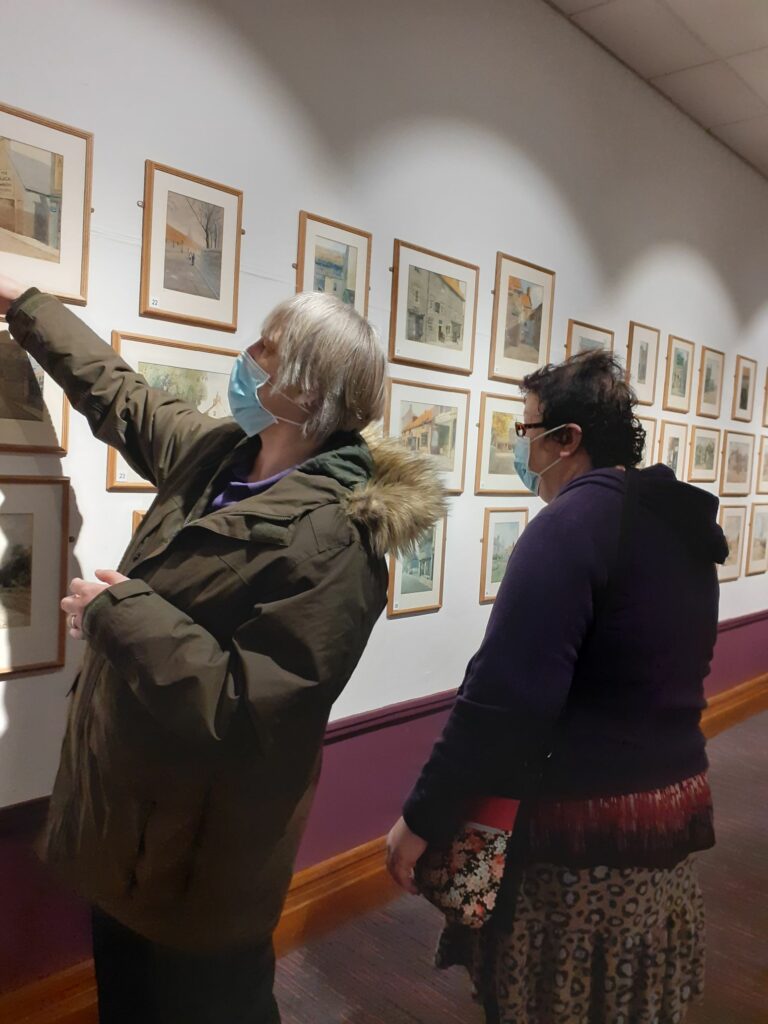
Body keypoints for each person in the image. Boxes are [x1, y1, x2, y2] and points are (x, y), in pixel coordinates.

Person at [0, 277, 446, 1024]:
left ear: (308, 390)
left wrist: (120, 613)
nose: (247, 356)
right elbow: (123, 396)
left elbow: (249, 709)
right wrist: (26, 306)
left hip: (199, 859)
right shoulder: (219, 457)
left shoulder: (337, 542)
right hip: (127, 827)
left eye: (266, 349)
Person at [387, 351, 727, 1024]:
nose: (524, 447)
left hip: (580, 850)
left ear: (567, 438)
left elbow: (504, 700)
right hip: (668, 821)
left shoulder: (569, 527)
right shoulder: (678, 523)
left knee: (556, 1001)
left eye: (527, 430)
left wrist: (421, 819)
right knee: (627, 1002)